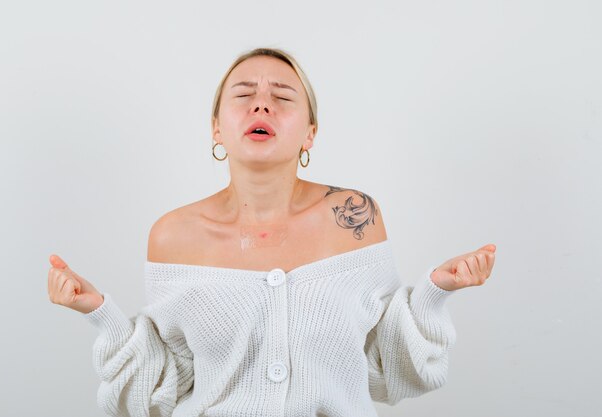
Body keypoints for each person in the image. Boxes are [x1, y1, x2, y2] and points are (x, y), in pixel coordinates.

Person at [47, 47, 496, 417]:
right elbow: (171, 380)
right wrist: (99, 312)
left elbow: (379, 365)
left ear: (310, 134)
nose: (262, 104)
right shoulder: (173, 235)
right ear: (217, 129)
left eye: (282, 97)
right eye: (244, 94)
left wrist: (436, 291)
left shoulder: (355, 217)